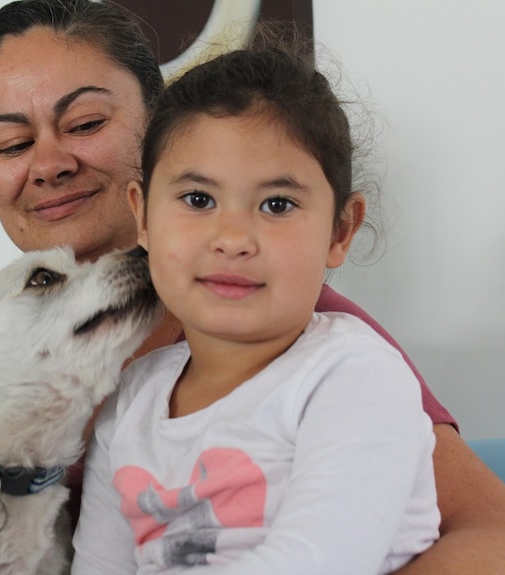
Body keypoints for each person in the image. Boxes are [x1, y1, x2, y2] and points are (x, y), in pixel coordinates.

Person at [0, 1, 505, 574]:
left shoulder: (301, 337)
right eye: (11, 141)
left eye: (84, 124)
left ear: (154, 136)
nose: (48, 161)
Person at [71, 35, 441, 573]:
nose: (233, 237)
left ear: (341, 230)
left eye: (277, 204)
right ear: (143, 216)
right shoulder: (128, 403)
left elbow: (318, 563)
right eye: (198, 200)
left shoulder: (354, 377)